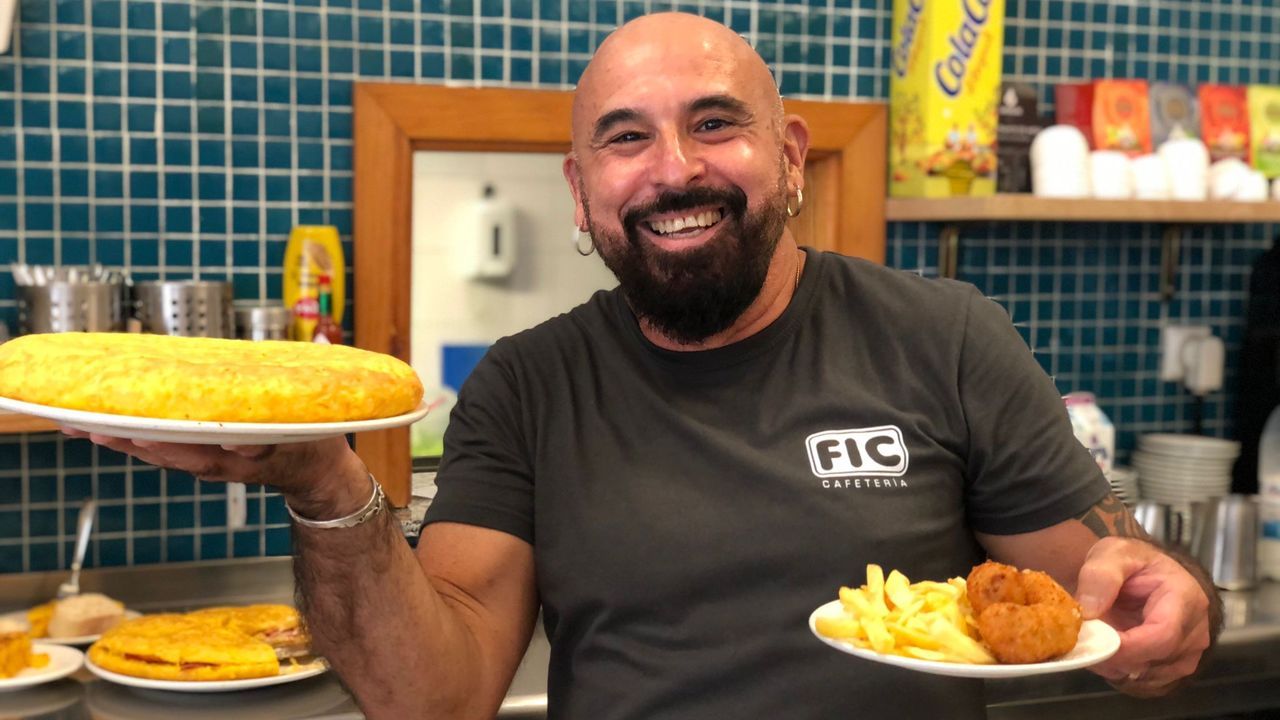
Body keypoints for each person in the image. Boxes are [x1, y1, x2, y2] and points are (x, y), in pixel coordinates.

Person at [73, 13, 1219, 719]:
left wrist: (1171, 604)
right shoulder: (527, 387)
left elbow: (1106, 607)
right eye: (625, 138)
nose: (670, 169)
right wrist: (324, 485)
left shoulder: (944, 336)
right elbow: (437, 696)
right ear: (580, 193)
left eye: (714, 123)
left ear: (786, 160)